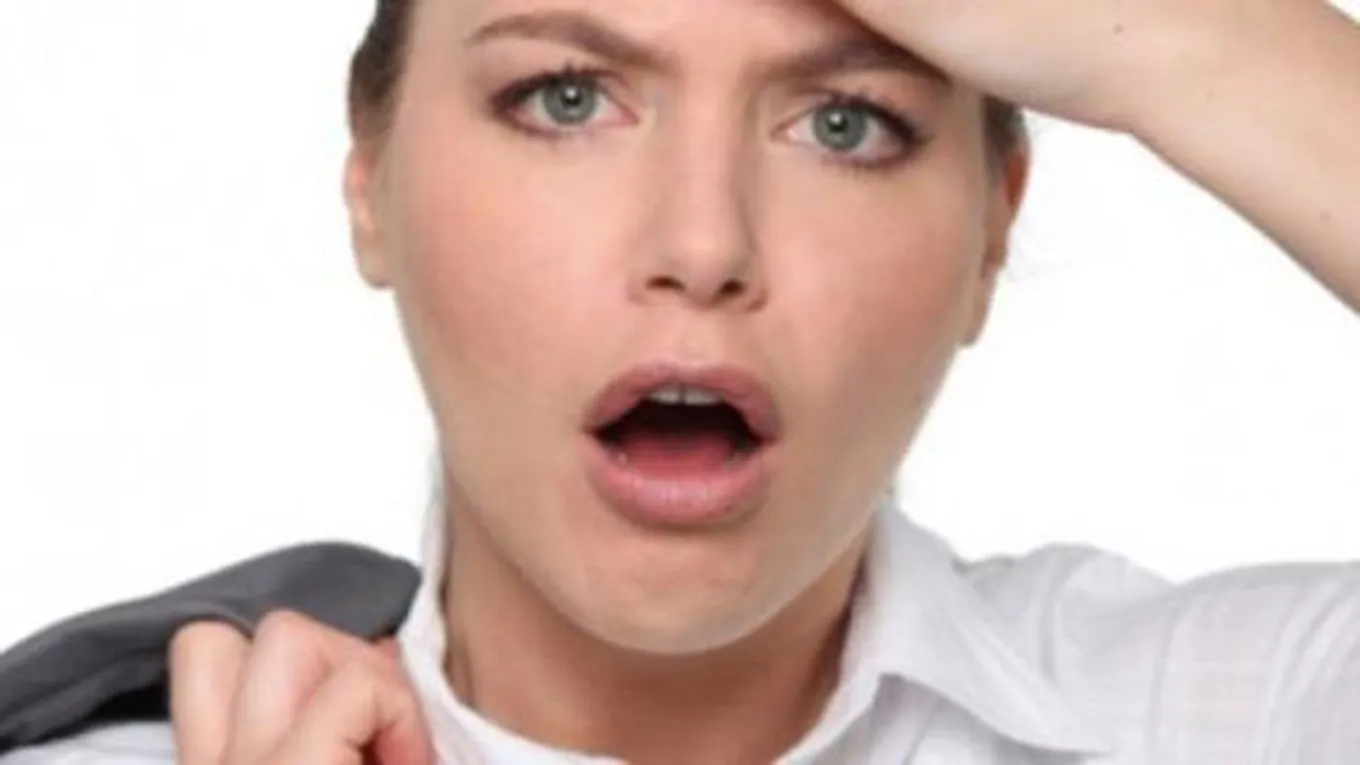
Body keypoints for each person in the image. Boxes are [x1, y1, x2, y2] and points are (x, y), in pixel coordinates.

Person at [2, 0, 1358, 763]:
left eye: (846, 122)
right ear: (370, 185)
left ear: (992, 237)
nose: (704, 246)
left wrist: (1187, 40)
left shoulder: (1233, 719)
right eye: (567, 98)